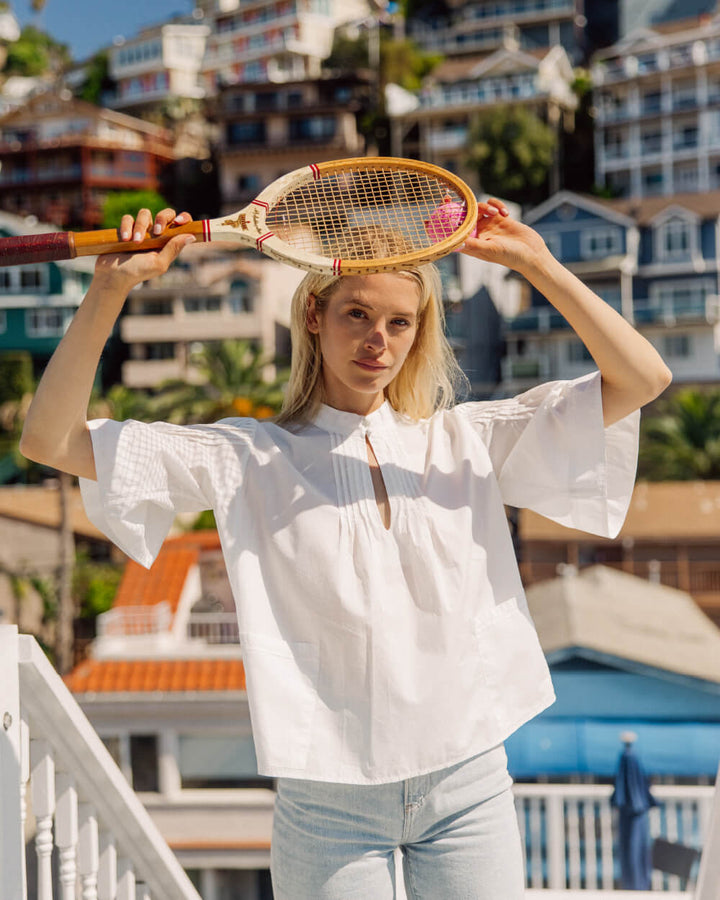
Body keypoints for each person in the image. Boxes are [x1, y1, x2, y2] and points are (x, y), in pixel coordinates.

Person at [20, 199, 671, 899]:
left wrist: (535, 263)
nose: (377, 342)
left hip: (467, 783)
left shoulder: (465, 441)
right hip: (328, 802)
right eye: (356, 314)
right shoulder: (249, 458)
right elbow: (50, 441)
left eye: (399, 322)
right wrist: (109, 288)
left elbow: (643, 378)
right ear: (314, 317)